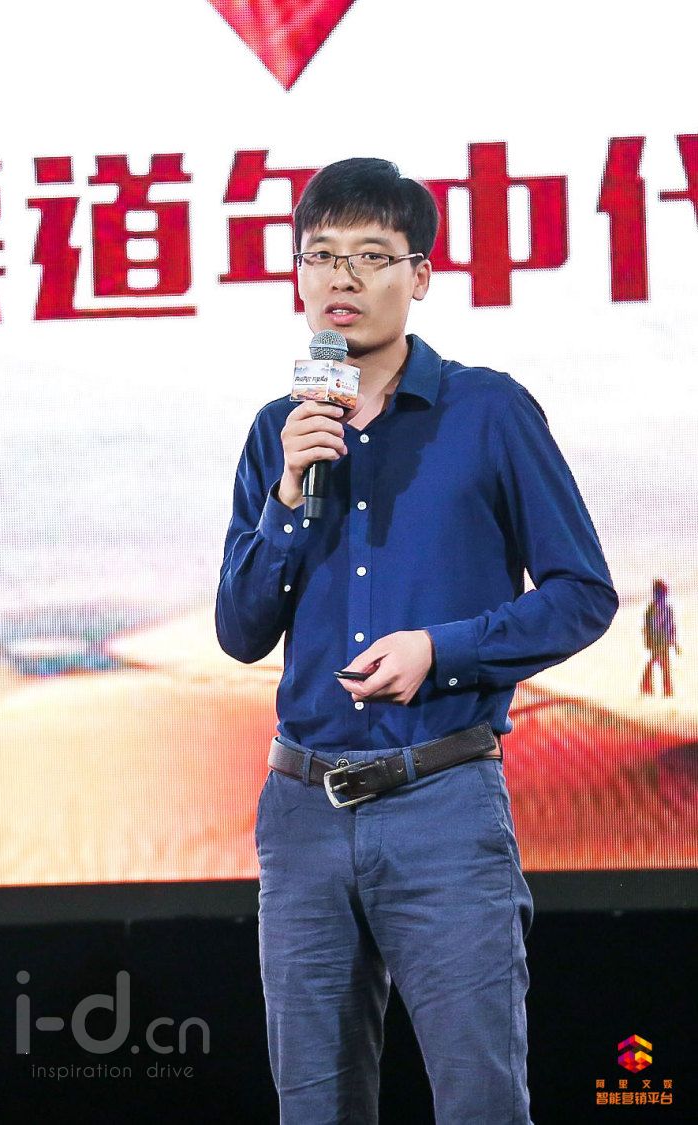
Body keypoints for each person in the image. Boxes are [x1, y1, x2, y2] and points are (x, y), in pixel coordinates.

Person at [216, 157, 618, 1124]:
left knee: (481, 1099)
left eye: (370, 256)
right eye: (321, 255)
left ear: (421, 275)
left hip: (441, 801)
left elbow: (582, 594)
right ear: (297, 277)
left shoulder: (489, 411)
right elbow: (240, 630)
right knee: (315, 1106)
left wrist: (442, 650)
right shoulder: (280, 431)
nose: (342, 278)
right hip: (303, 814)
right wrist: (286, 496)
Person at [640, 578, 679, 697]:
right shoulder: (658, 608)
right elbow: (669, 626)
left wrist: (673, 642)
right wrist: (673, 642)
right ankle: (662, 690)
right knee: (662, 664)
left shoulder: (656, 608)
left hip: (660, 641)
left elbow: (670, 626)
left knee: (660, 664)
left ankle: (652, 688)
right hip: (660, 641)